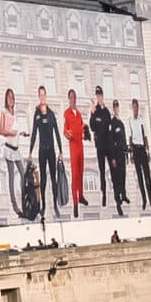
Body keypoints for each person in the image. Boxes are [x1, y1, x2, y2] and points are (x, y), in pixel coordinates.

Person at [27, 85, 63, 222]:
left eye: (44, 95)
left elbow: (57, 133)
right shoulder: (36, 114)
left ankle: (55, 205)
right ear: (38, 97)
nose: (42, 97)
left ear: (46, 96)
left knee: (53, 179)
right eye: (40, 95)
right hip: (42, 150)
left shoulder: (51, 114)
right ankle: (43, 206)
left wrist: (61, 151)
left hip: (51, 151)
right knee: (43, 180)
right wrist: (30, 152)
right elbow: (34, 134)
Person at [0, 88, 26, 217]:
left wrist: (21, 133)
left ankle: (24, 201)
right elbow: (1, 131)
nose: (11, 99)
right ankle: (15, 206)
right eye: (8, 97)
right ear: (6, 99)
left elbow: (15, 129)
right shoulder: (4, 112)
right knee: (11, 177)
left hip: (17, 148)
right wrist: (12, 133)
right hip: (9, 148)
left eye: (12, 97)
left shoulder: (14, 112)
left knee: (23, 173)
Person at [63, 88, 89, 218]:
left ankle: (81, 196)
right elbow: (65, 131)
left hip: (81, 146)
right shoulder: (67, 113)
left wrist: (86, 134)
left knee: (81, 172)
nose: (73, 99)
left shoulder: (78, 114)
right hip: (73, 147)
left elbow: (82, 130)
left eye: (75, 97)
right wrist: (69, 135)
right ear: (69, 99)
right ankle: (75, 203)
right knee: (75, 175)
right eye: (71, 97)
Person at [128, 98, 151, 214]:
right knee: (139, 177)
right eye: (134, 107)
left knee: (147, 177)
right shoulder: (130, 121)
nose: (135, 109)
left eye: (137, 107)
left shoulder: (141, 120)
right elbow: (130, 137)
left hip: (142, 149)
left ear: (138, 108)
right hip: (135, 150)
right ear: (132, 108)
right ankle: (144, 199)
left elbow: (145, 137)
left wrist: (148, 151)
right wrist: (131, 154)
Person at [89, 86, 112, 207]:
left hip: (108, 145)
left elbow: (110, 127)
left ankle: (116, 192)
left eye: (100, 95)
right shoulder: (95, 110)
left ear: (103, 96)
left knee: (112, 169)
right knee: (102, 170)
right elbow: (92, 127)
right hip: (100, 146)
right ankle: (104, 194)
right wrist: (92, 114)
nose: (99, 97)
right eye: (97, 95)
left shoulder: (106, 111)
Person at [107, 99, 129, 216]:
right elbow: (110, 142)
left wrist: (127, 153)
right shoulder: (112, 123)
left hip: (122, 154)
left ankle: (124, 195)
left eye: (117, 107)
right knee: (116, 179)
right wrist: (113, 158)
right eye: (114, 107)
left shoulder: (121, 123)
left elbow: (124, 140)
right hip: (115, 154)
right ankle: (118, 202)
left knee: (123, 175)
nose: (116, 109)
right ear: (113, 109)